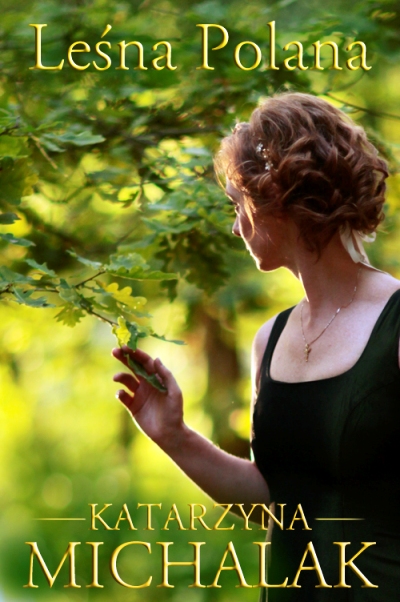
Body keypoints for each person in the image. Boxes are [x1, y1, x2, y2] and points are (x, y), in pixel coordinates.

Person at [112, 92, 400, 601]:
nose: (235, 224)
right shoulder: (270, 340)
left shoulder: (394, 324)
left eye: (237, 203)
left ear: (277, 198)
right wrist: (175, 436)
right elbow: (274, 500)